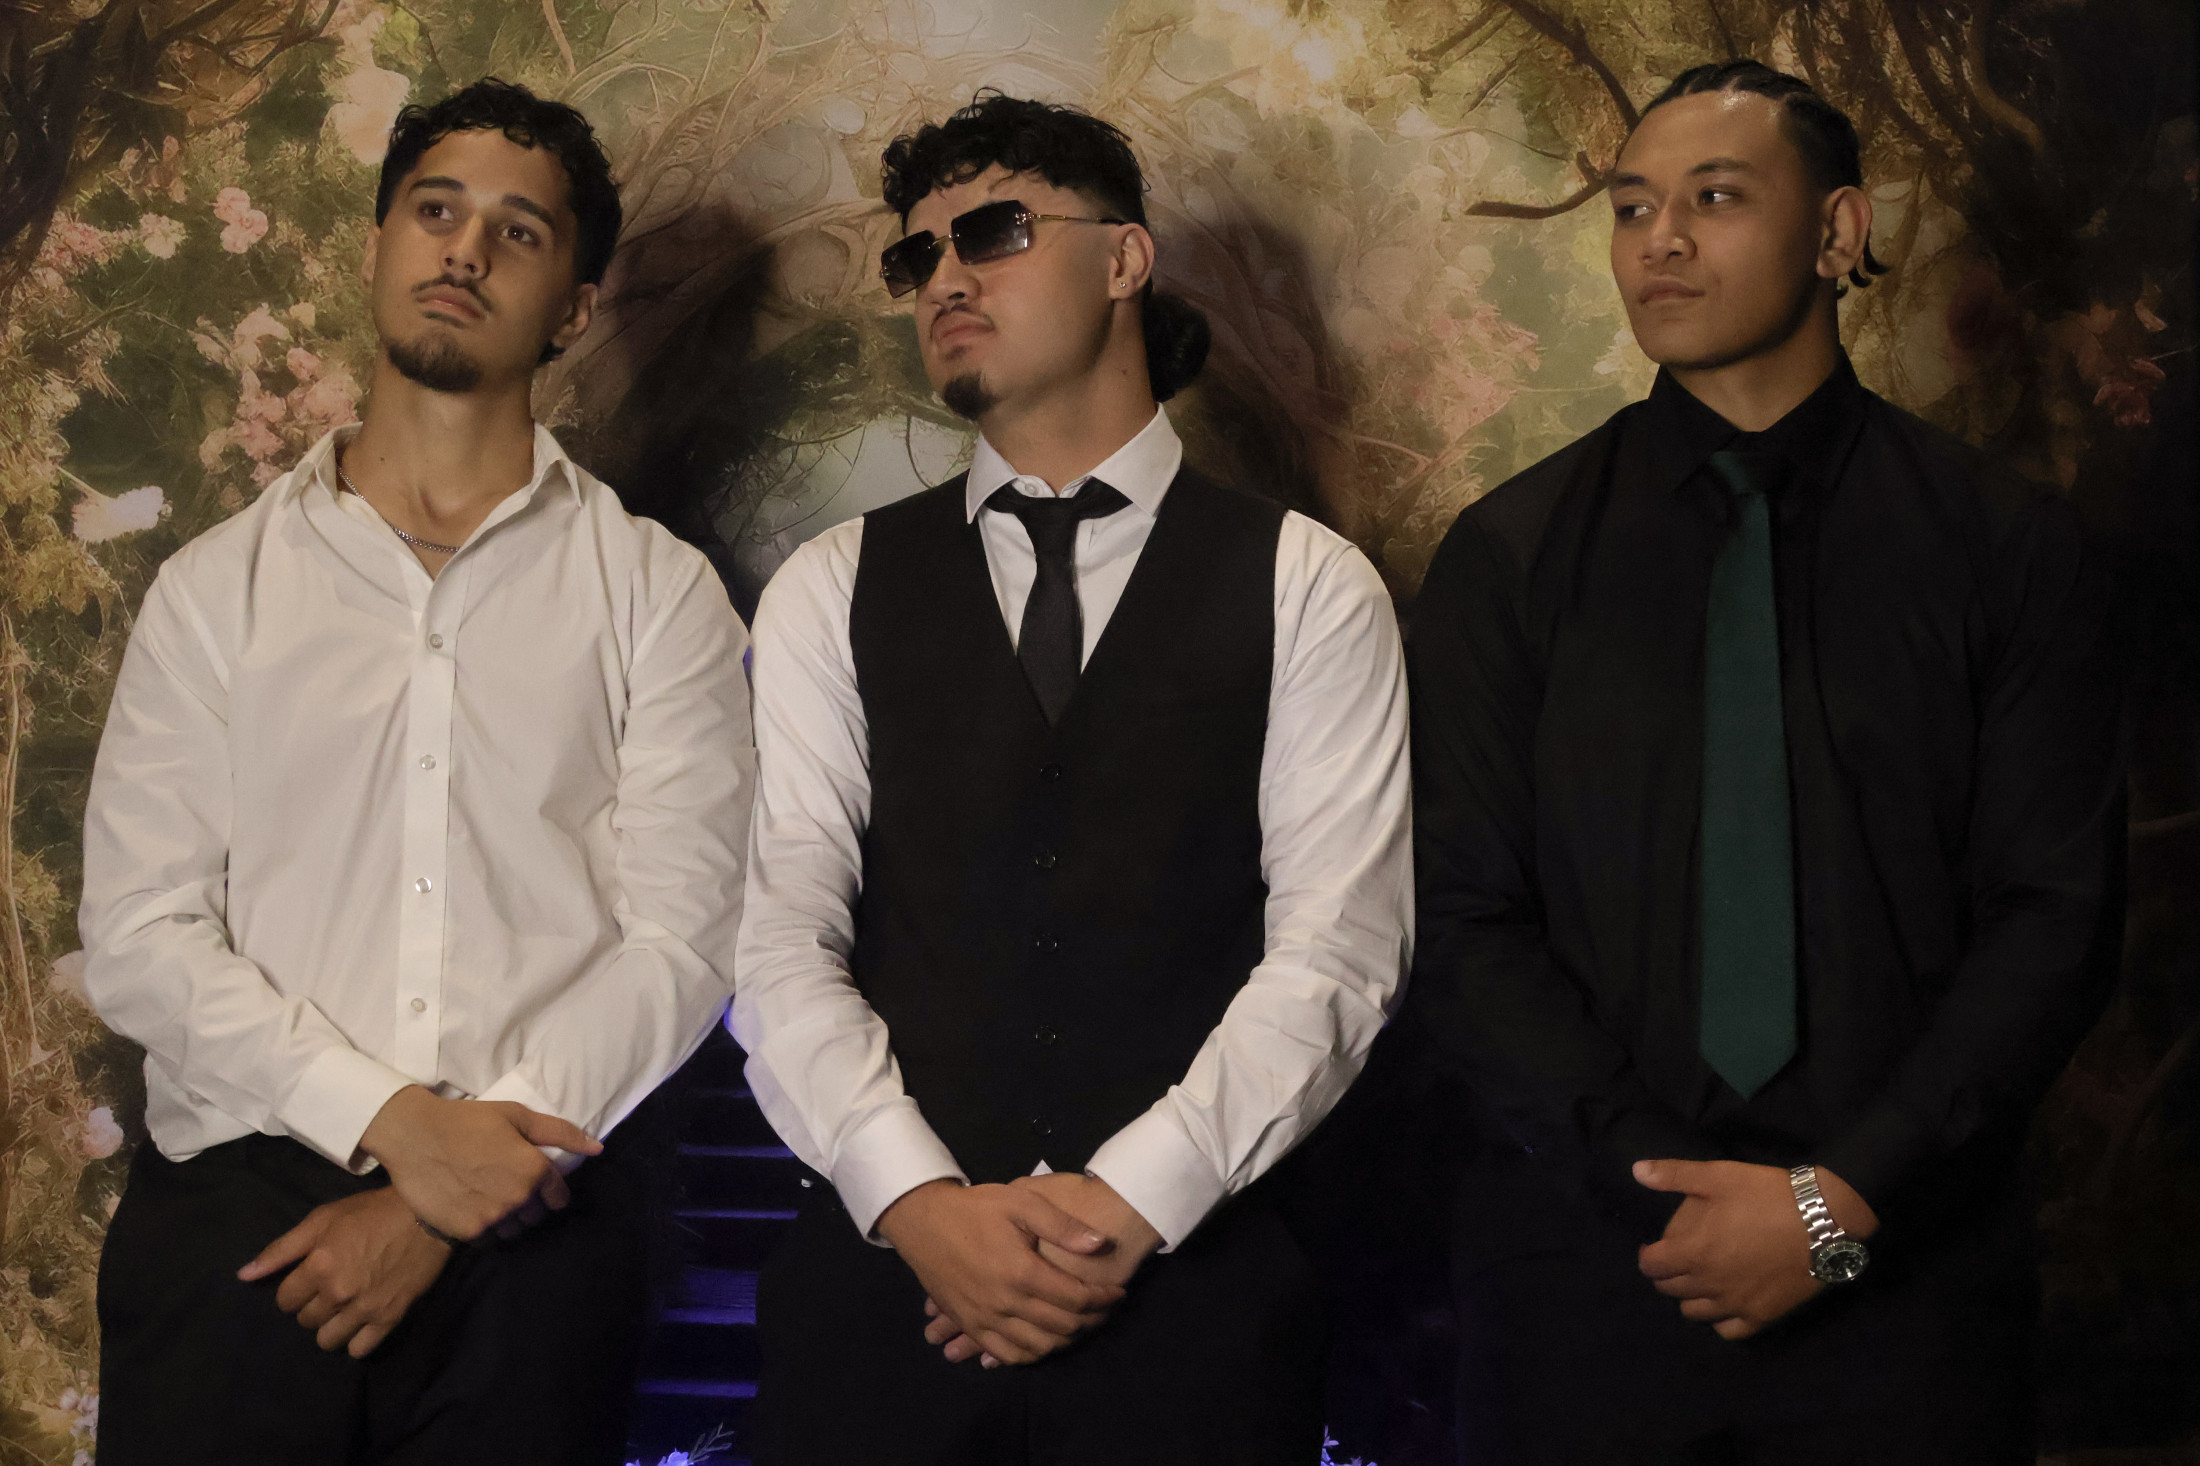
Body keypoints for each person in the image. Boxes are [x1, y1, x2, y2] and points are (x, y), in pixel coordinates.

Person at [1406, 59, 2123, 1464]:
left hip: (1910, 1288)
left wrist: (1839, 1205)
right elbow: (1458, 916)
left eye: (1716, 198)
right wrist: (1664, 1195)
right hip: (1585, 1292)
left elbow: (2057, 913)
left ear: (1839, 232)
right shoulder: (1508, 557)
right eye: (1632, 207)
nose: (1659, 240)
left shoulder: (2008, 546)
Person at [79, 78, 755, 1464]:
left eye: (519, 231)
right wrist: (389, 1122)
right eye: (436, 210)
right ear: (379, 245)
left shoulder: (660, 593)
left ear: (573, 306)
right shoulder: (215, 590)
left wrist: (455, 1187)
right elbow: (141, 933)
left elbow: (686, 937)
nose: (465, 249)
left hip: (542, 1234)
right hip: (236, 1226)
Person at [731, 92, 1412, 1464]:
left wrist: (1127, 1204)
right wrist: (917, 1201)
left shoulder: (1309, 584)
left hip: (1198, 1312)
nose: (946, 278)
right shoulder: (828, 586)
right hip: (883, 1318)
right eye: (917, 255)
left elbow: (1340, 946)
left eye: (993, 232)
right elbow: (778, 932)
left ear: (1124, 259)